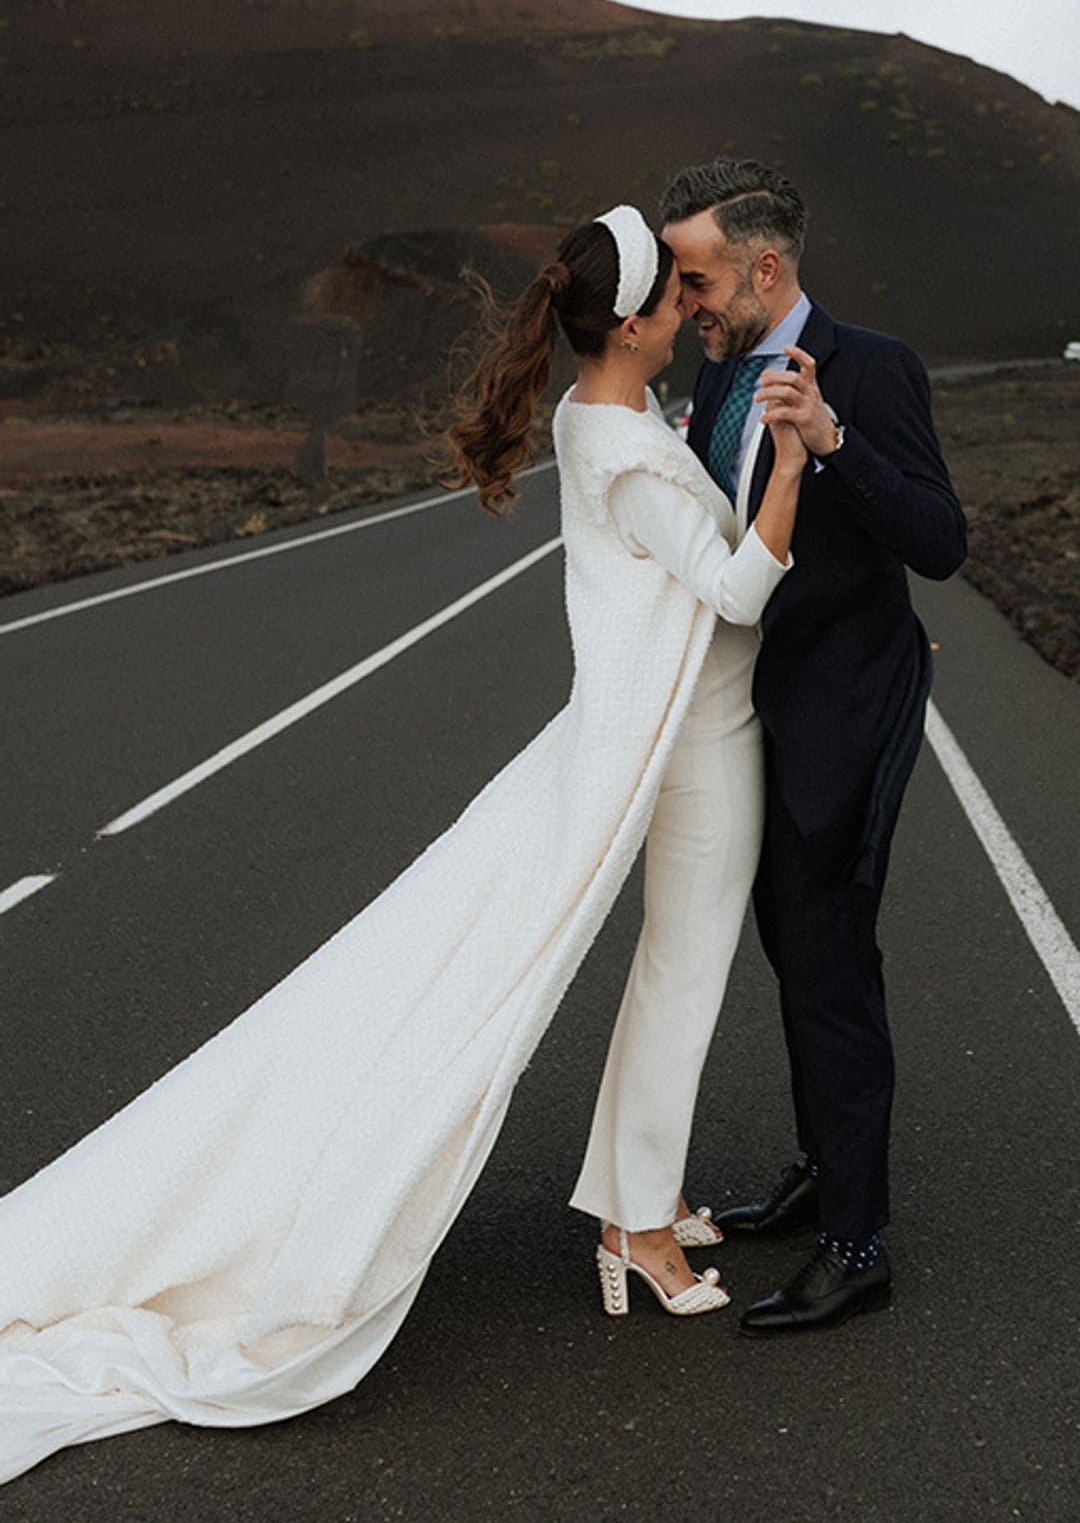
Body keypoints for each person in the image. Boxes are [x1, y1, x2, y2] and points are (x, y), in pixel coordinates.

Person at [0, 206, 804, 1485]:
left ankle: (633, 1202)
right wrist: (795, 460)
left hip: (631, 733)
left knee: (588, 968)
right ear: (639, 323)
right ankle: (637, 1226)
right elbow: (740, 592)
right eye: (678, 301)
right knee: (648, 974)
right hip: (678, 746)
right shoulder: (632, 453)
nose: (691, 315)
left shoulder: (599, 414)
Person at [658, 156, 967, 1331]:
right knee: (791, 948)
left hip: (844, 714)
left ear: (764, 267)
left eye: (697, 280)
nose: (687, 303)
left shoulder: (873, 365)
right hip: (751, 716)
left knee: (832, 966)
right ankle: (826, 1166)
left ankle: (858, 1242)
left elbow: (940, 543)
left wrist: (835, 442)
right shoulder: (720, 375)